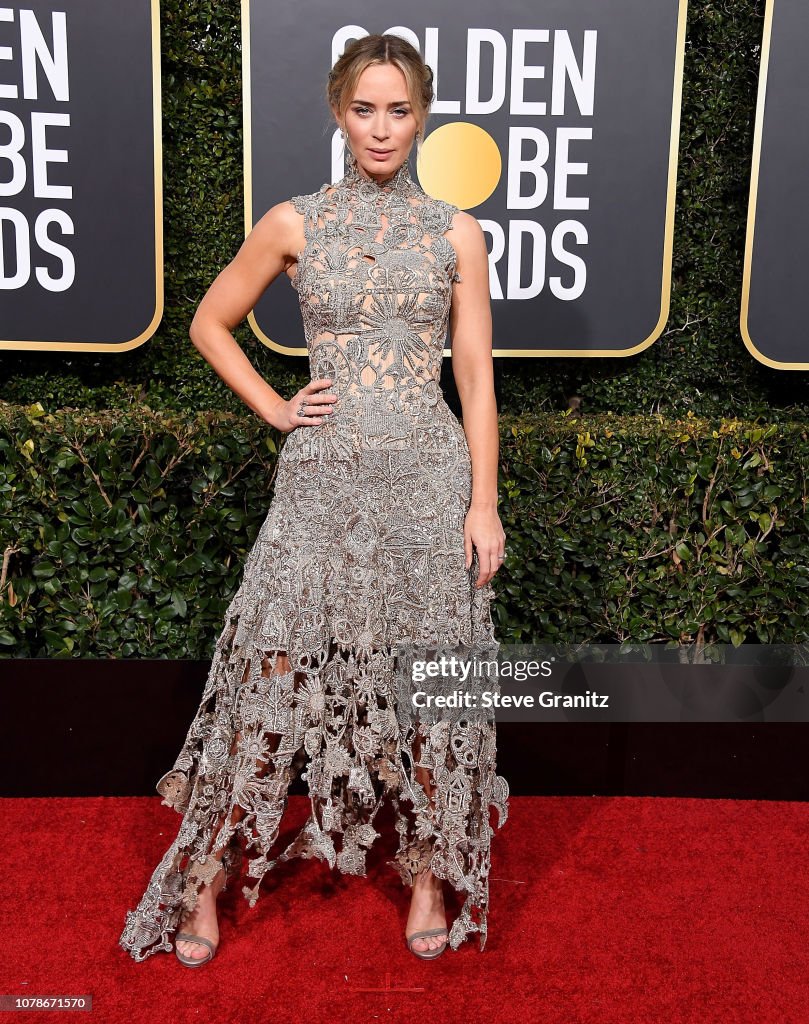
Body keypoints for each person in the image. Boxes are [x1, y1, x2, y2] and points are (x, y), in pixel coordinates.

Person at [118, 32, 509, 967]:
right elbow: (210, 321)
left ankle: (424, 870)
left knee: (432, 688)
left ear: (422, 117)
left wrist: (484, 501)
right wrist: (278, 408)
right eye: (364, 108)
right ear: (339, 113)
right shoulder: (293, 222)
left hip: (427, 479)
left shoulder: (458, 233)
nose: (381, 128)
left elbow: (477, 379)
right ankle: (206, 873)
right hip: (322, 482)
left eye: (399, 109)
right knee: (271, 672)